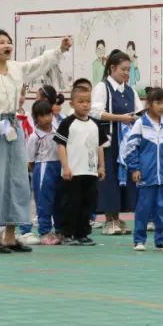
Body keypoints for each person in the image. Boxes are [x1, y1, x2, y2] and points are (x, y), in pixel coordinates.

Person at [0, 30, 71, 254]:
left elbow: (37, 64)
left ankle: (11, 236)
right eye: (2, 42)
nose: (7, 45)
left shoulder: (14, 68)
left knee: (19, 180)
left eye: (9, 41)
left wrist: (59, 50)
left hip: (14, 127)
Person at [90, 49, 140, 236]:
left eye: (129, 70)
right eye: (123, 70)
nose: (126, 74)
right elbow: (94, 112)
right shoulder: (102, 87)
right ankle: (109, 220)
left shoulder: (130, 90)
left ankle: (118, 218)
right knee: (109, 180)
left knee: (125, 181)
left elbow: (139, 111)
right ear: (112, 68)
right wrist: (120, 118)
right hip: (109, 143)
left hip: (127, 144)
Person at [122, 87, 163, 252]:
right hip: (146, 175)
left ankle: (161, 240)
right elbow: (130, 148)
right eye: (158, 103)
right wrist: (134, 168)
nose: (162, 106)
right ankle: (139, 240)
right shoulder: (141, 123)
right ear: (149, 104)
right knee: (143, 208)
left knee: (162, 208)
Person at [56, 86, 106, 246]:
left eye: (88, 101)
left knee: (88, 204)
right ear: (72, 104)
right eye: (81, 101)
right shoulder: (67, 123)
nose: (85, 105)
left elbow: (100, 146)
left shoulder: (95, 124)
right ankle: (67, 233)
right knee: (71, 204)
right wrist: (65, 167)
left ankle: (82, 233)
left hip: (90, 172)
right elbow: (61, 145)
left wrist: (101, 166)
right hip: (73, 172)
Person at [27, 100, 62, 245]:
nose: (47, 118)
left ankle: (60, 230)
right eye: (42, 116)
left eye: (48, 114)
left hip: (58, 165)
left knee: (59, 200)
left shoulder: (57, 129)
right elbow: (30, 160)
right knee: (43, 201)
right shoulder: (34, 136)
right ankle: (45, 232)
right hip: (42, 167)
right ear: (36, 118)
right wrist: (36, 171)